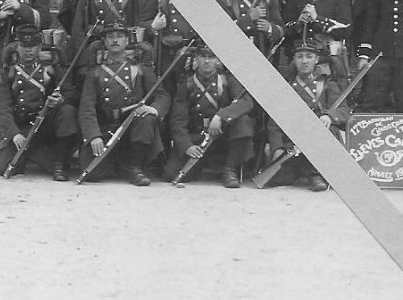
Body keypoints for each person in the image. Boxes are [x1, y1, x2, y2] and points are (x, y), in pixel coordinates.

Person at [77, 21, 170, 186]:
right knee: (92, 173)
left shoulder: (141, 70)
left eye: (120, 36)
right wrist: (93, 135)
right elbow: (87, 107)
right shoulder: (95, 73)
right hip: (106, 126)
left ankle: (135, 167)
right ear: (104, 42)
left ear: (127, 41)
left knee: (146, 119)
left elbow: (162, 95)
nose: (115, 40)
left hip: (132, 126)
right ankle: (119, 164)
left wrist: (154, 109)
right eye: (110, 37)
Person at [0, 25, 78, 181]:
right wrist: (14, 135)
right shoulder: (9, 72)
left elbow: (71, 93)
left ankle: (57, 163)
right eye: (24, 46)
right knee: (1, 166)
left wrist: (61, 100)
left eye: (32, 46)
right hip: (22, 126)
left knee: (67, 111)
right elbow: (2, 108)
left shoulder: (51, 68)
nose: (28, 51)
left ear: (39, 47)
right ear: (17, 47)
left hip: (44, 125)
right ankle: (37, 154)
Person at [162, 43, 255, 188]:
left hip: (222, 135)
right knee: (171, 174)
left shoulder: (227, 80)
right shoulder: (186, 83)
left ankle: (229, 169)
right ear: (196, 59)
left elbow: (246, 102)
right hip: (198, 137)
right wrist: (187, 146)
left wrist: (221, 116)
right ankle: (202, 163)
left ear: (218, 60)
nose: (207, 61)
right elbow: (178, 119)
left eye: (211, 57)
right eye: (203, 56)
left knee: (243, 121)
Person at [264, 39, 351, 192]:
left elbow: (343, 110)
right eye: (300, 56)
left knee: (328, 132)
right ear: (294, 60)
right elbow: (274, 122)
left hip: (321, 139)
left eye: (309, 56)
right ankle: (311, 173)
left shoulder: (327, 84)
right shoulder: (286, 88)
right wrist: (277, 147)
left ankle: (314, 174)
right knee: (273, 179)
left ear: (316, 59)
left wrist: (329, 116)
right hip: (294, 143)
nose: (304, 61)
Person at [282, 0, 352, 81]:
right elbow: (286, 28)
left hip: (328, 59)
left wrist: (317, 20)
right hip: (302, 60)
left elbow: (345, 29)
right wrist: (298, 23)